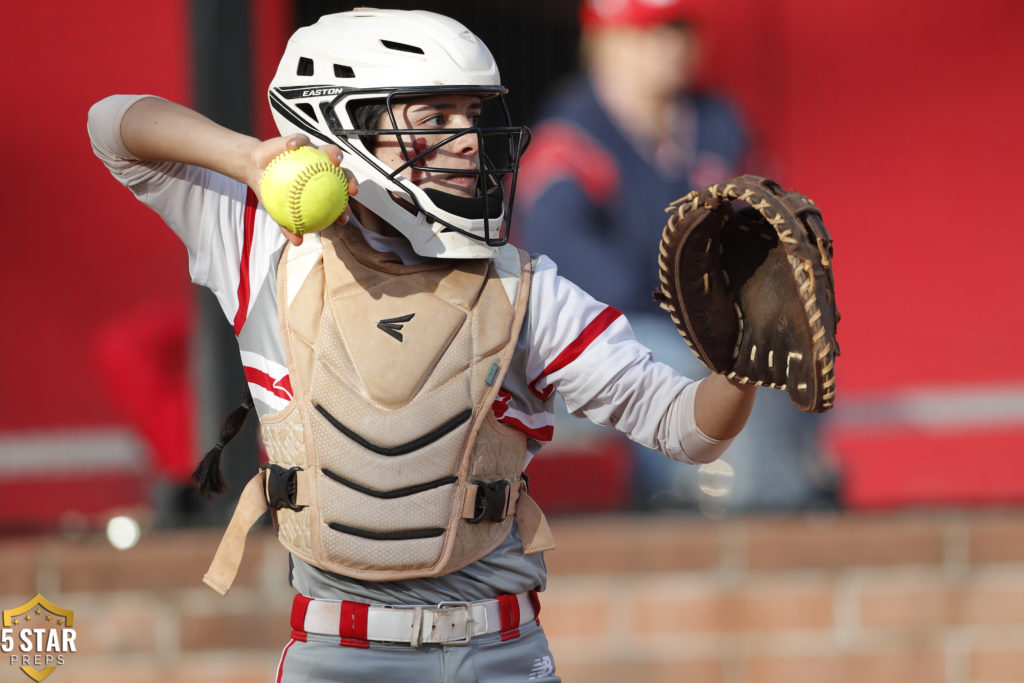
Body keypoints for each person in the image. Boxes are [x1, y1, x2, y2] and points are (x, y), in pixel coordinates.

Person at [88, 9, 756, 682]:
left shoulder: (523, 287)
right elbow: (112, 125)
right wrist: (250, 158)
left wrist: (744, 353)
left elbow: (687, 429)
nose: (468, 138)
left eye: (470, 114)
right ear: (342, 129)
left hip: (499, 654)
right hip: (336, 655)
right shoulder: (263, 243)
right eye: (434, 119)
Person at [517, 0, 837, 513]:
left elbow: (764, 243)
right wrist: (700, 309)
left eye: (681, 29)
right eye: (653, 32)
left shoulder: (717, 123)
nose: (674, 45)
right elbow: (570, 271)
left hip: (694, 328)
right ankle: (705, 505)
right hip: (603, 342)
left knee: (780, 337)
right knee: (668, 352)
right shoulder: (570, 135)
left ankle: (792, 496)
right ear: (606, 43)